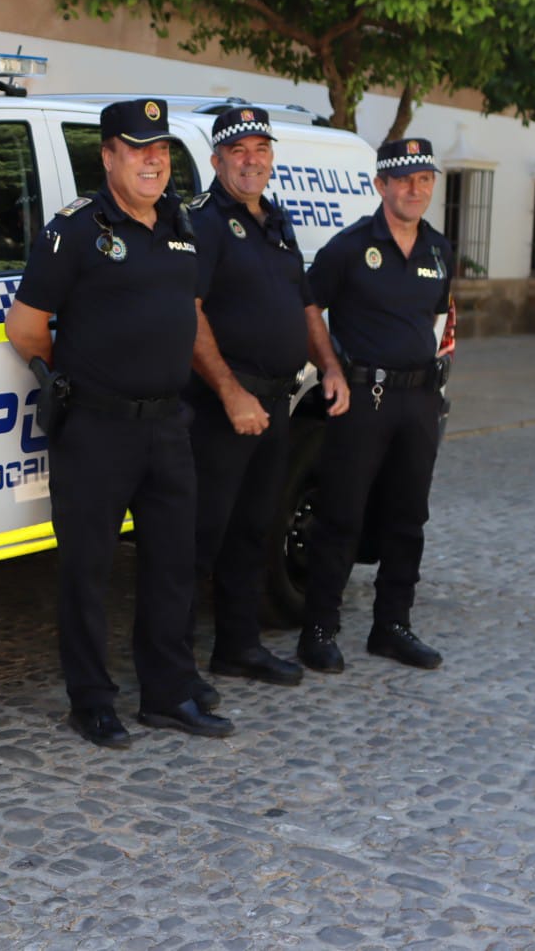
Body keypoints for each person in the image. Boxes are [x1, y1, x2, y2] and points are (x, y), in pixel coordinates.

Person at [5, 98, 235, 750]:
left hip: (167, 425)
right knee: (87, 569)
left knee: (172, 565)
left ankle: (168, 692)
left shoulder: (182, 224)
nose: (153, 160)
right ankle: (93, 701)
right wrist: (66, 387)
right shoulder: (75, 230)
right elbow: (24, 327)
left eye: (160, 149)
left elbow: (188, 313)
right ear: (107, 154)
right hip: (96, 430)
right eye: (138, 148)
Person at [185, 107, 349, 687]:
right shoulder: (201, 222)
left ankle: (238, 647)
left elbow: (305, 303)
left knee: (255, 529)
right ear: (217, 160)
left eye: (260, 149)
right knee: (200, 538)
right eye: (239, 151)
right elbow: (191, 313)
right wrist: (231, 394)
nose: (251, 160)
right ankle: (175, 671)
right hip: (222, 406)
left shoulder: (276, 220)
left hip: (277, 401)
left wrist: (329, 365)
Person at [296, 137, 455, 673]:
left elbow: (435, 315)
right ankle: (318, 630)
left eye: (425, 179)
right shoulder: (348, 248)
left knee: (408, 517)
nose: (416, 188)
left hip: (419, 401)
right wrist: (331, 368)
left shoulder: (439, 249)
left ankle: (392, 626)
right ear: (380, 185)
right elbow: (308, 306)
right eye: (405, 179)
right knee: (341, 514)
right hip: (365, 399)